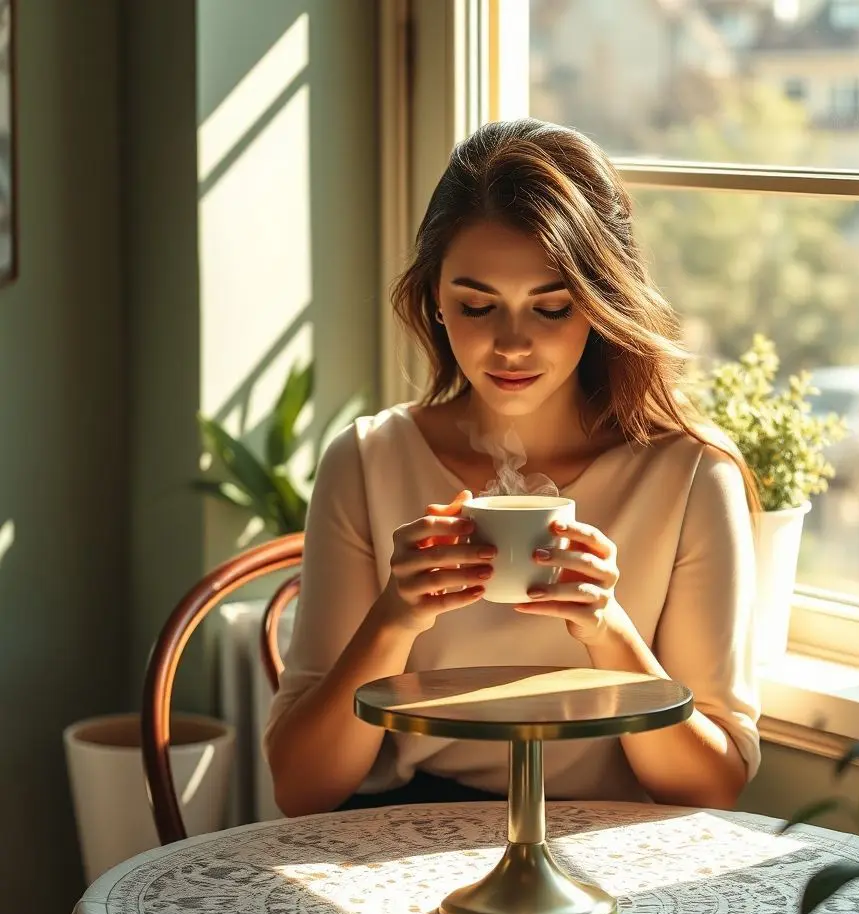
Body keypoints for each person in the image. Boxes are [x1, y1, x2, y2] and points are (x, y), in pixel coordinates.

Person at [264, 118, 761, 817]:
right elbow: (302, 789)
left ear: (598, 305)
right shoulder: (368, 461)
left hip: (603, 846)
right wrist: (394, 620)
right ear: (435, 300)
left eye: (552, 308)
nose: (512, 344)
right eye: (476, 305)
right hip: (403, 837)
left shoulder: (690, 476)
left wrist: (606, 629)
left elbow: (713, 785)